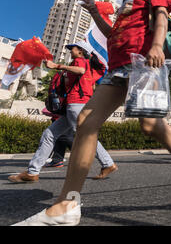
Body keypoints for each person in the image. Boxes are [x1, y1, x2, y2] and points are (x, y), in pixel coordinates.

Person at [13, 0, 171, 226]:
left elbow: (160, 17)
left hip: (145, 62)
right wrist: (96, 13)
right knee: (85, 121)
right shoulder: (127, 1)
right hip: (117, 69)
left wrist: (156, 45)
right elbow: (112, 34)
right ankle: (67, 204)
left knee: (151, 126)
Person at [8, 41, 117, 184]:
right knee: (49, 134)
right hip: (74, 106)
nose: (70, 50)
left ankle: (108, 163)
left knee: (84, 136)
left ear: (81, 51)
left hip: (77, 104)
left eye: (73, 48)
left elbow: (80, 71)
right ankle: (32, 172)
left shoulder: (80, 61)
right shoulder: (84, 65)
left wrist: (57, 66)